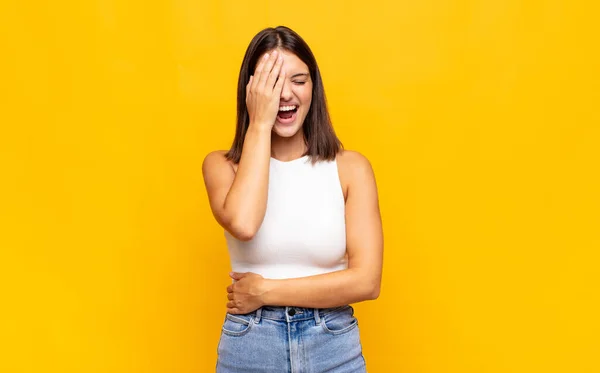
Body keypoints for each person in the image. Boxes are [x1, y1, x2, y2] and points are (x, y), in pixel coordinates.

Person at [202, 25, 383, 373]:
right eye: (271, 83)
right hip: (250, 348)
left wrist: (265, 292)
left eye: (298, 80)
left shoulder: (350, 168)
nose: (285, 94)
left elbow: (366, 281)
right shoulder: (222, 166)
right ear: (251, 90)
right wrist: (258, 123)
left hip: (334, 346)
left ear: (314, 87)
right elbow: (244, 222)